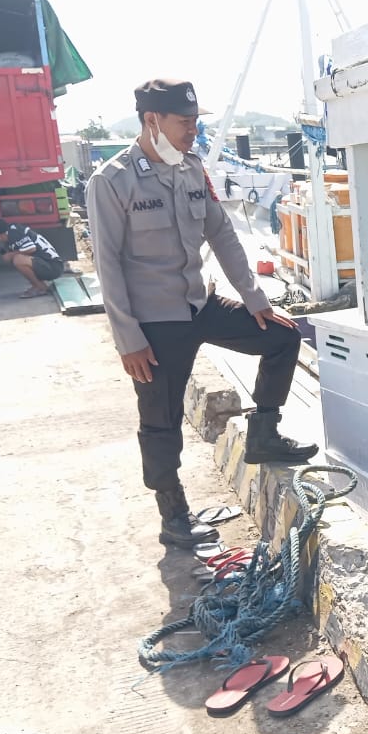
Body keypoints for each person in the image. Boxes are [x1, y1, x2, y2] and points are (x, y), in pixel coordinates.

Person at [86, 78, 318, 549]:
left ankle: (264, 434)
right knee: (161, 419)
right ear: (152, 121)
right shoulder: (111, 181)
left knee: (281, 336)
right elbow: (106, 265)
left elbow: (222, 234)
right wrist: (128, 338)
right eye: (185, 122)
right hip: (154, 322)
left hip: (199, 304)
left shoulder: (191, 168)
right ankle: (173, 516)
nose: (193, 130)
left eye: (195, 121)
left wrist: (255, 298)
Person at [0, 217, 65, 298]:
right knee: (17, 259)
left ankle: (40, 287)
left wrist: (11, 255)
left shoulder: (14, 233)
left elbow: (31, 248)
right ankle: (38, 285)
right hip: (48, 264)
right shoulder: (12, 232)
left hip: (53, 266)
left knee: (18, 260)